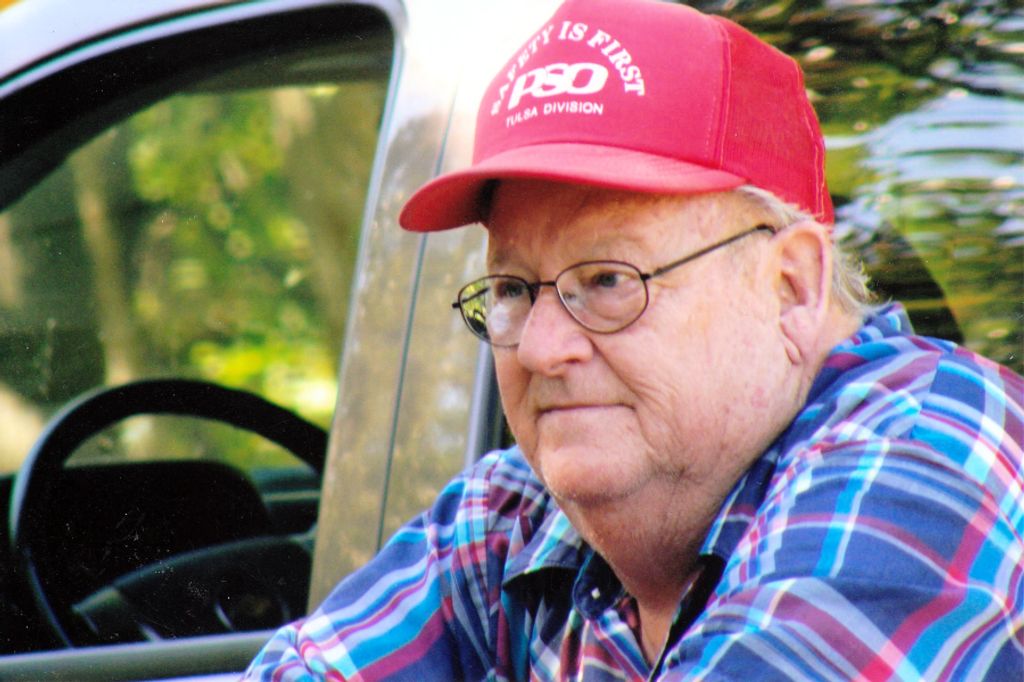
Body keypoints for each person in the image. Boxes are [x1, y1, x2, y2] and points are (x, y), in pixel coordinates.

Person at [244, 0, 1024, 678]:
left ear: (791, 286)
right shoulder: (517, 517)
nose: (542, 350)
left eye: (609, 280)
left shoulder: (934, 451)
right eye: (513, 289)